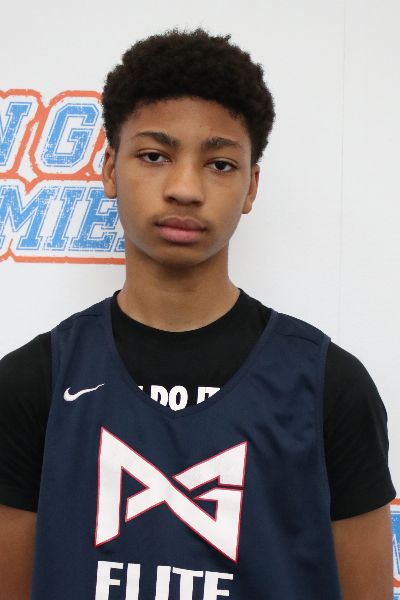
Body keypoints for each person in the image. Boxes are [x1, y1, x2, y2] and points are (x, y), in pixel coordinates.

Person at [0, 29, 395, 600]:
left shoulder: (330, 389)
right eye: (154, 155)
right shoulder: (32, 384)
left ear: (251, 187)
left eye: (220, 163)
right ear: (109, 170)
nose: (184, 188)